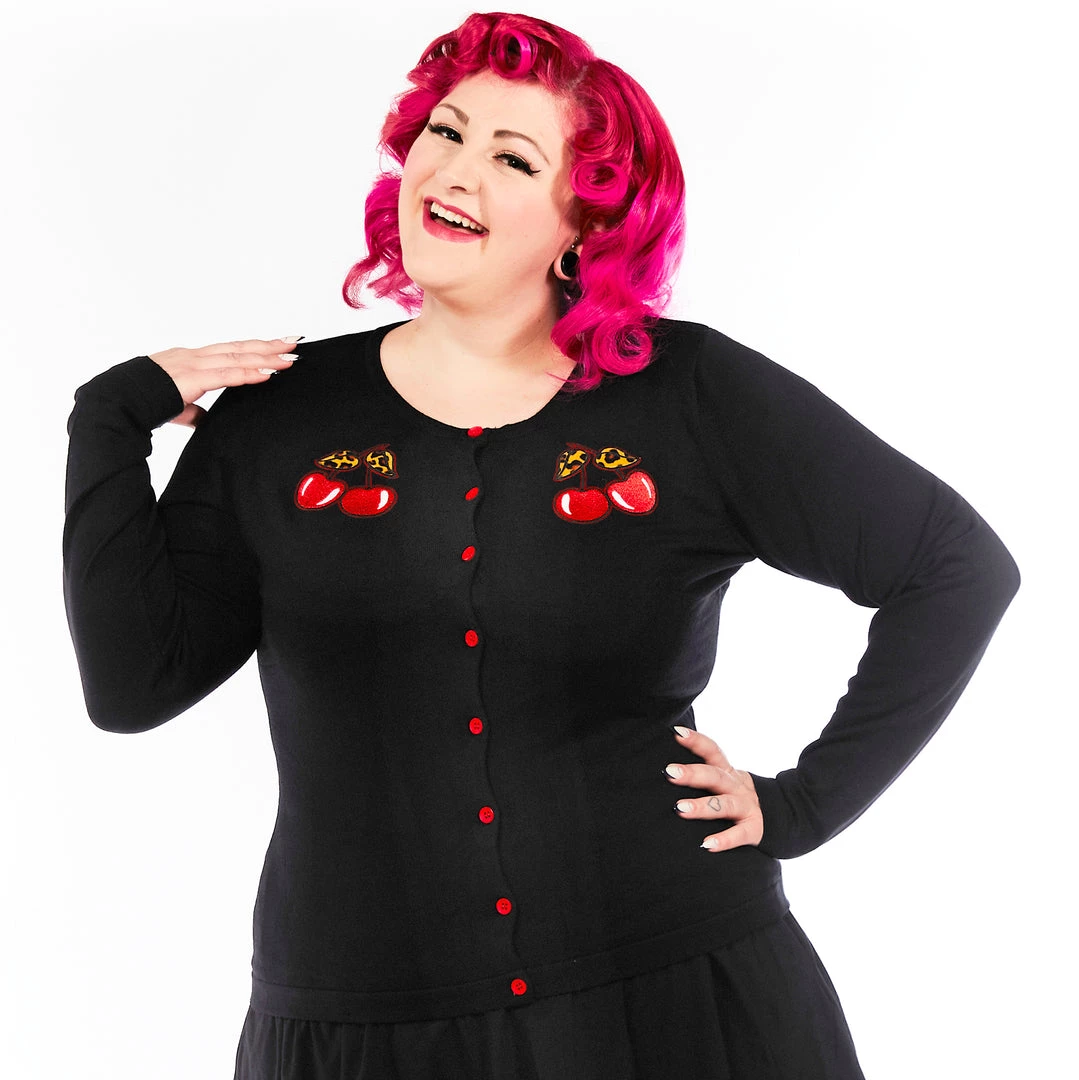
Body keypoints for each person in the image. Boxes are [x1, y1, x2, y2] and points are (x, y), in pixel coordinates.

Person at [62, 11, 1020, 1080]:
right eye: (445, 132)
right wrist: (109, 419)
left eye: (512, 158)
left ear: (583, 220)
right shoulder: (276, 416)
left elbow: (954, 567)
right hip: (361, 1025)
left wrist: (802, 805)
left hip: (673, 998)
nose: (454, 169)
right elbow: (134, 686)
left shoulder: (687, 394)